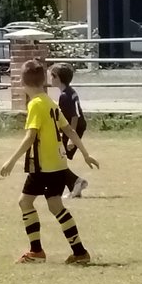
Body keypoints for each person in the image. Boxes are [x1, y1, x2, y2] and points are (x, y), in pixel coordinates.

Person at [1, 61, 99, 265]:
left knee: (26, 203)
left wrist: (11, 161)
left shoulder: (36, 104)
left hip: (44, 166)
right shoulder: (49, 102)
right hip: (58, 164)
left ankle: (37, 251)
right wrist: (86, 154)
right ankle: (79, 252)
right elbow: (69, 131)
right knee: (55, 206)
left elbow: (30, 137)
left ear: (22, 81)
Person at [50, 63, 88, 199]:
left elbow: (74, 116)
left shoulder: (65, 96)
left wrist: (72, 138)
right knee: (58, 158)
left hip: (73, 129)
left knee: (56, 158)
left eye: (52, 76)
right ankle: (75, 186)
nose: (50, 79)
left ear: (58, 78)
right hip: (73, 128)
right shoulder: (69, 92)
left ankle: (76, 182)